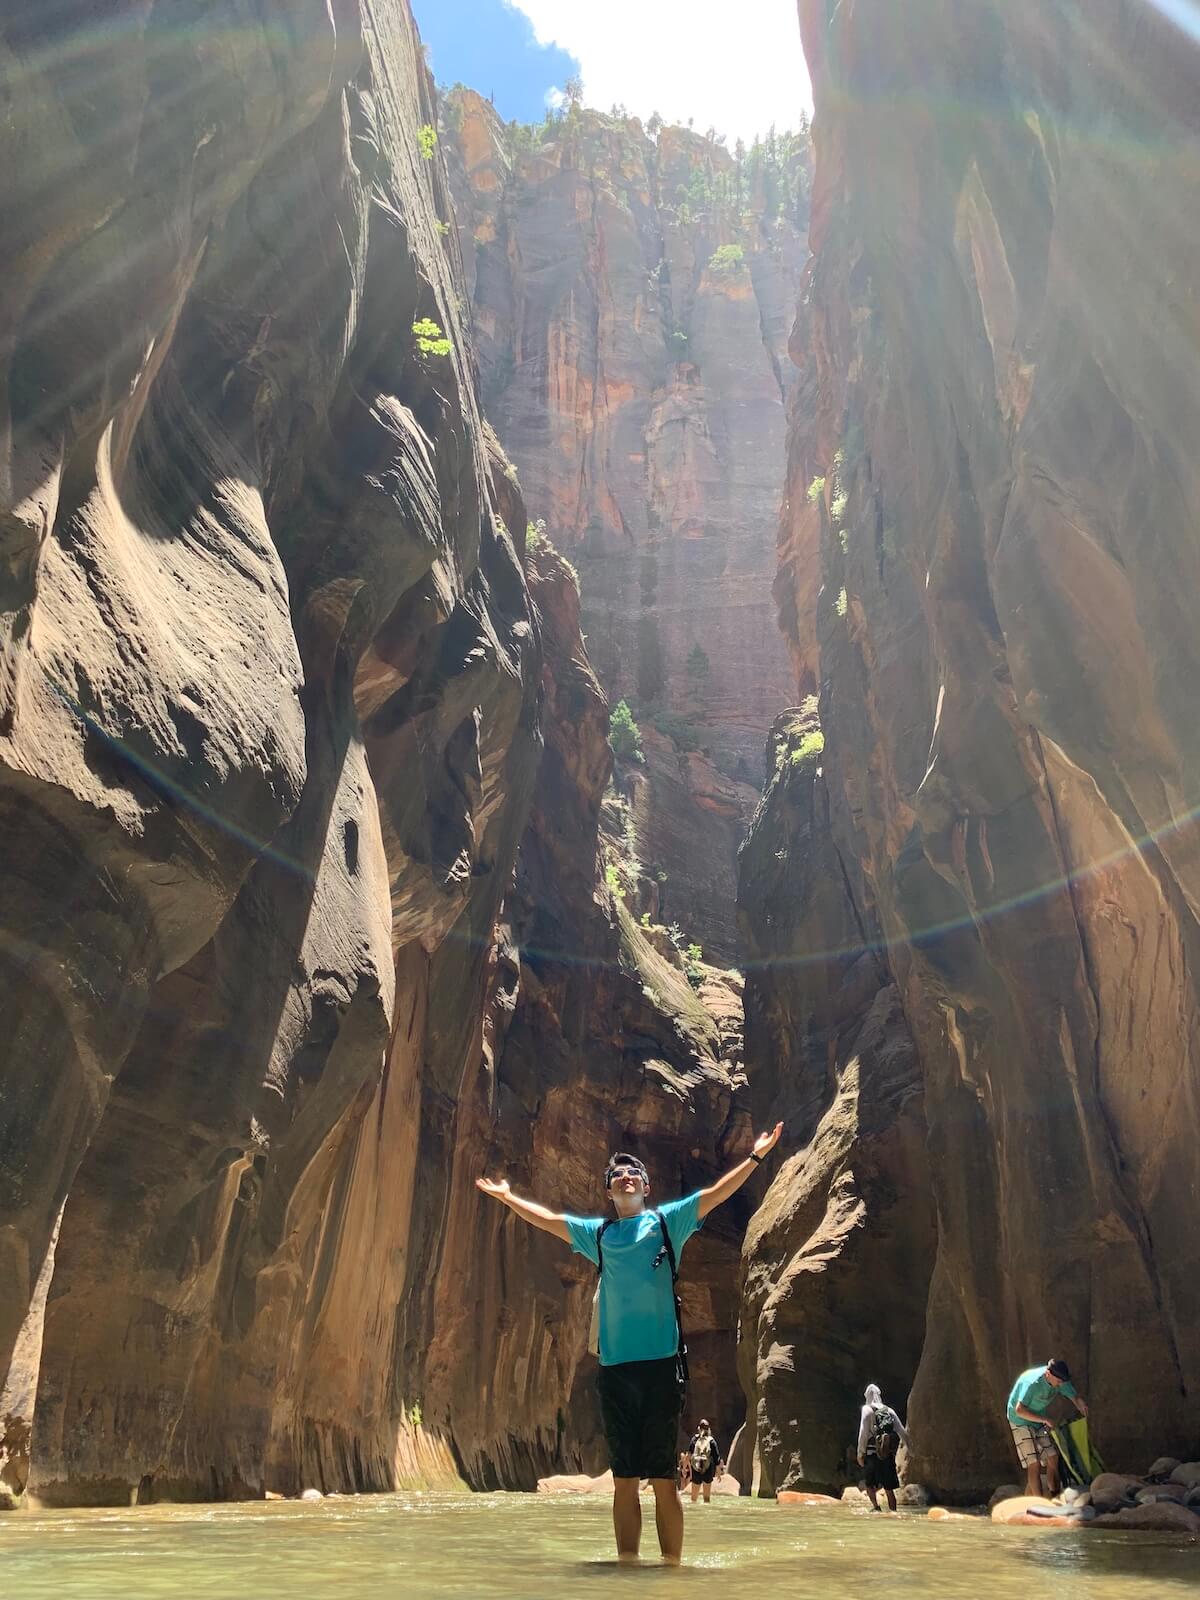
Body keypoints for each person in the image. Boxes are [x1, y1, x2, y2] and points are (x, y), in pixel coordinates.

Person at [476, 1122, 783, 1564]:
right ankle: (627, 1568)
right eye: (617, 1174)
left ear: (645, 1186)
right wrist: (508, 1198)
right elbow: (548, 1222)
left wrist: (755, 1156)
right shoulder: (599, 1235)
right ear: (609, 1192)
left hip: (661, 1368)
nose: (625, 1176)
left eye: (632, 1172)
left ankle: (672, 1573)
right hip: (616, 1371)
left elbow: (716, 1194)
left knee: (661, 1478)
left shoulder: (667, 1222)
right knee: (624, 1478)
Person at [1007, 1358, 1088, 1497]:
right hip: (1020, 1420)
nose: (1061, 1384)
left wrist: (1081, 1406)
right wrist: (1044, 1419)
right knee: (1035, 1463)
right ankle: (1040, 1504)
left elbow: (1074, 1396)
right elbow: (1019, 1409)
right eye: (1058, 1381)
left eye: (1063, 1381)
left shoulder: (1060, 1380)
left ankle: (1055, 1495)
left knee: (1053, 1456)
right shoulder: (1032, 1383)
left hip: (1038, 1419)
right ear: (1048, 1374)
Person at [856, 1383, 911, 1511]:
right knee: (889, 1489)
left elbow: (863, 1432)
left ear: (867, 1396)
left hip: (871, 1455)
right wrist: (911, 1450)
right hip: (886, 1454)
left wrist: (860, 1453)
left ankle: (876, 1507)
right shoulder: (889, 1410)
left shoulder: (866, 1409)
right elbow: (902, 1431)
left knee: (870, 1485)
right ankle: (893, 1512)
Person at [687, 1420, 720, 1503]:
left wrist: (691, 1472)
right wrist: (718, 1473)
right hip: (708, 1469)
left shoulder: (694, 1439)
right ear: (708, 1429)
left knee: (693, 1499)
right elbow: (717, 1459)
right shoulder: (711, 1441)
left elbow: (689, 1456)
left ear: (698, 1428)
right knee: (706, 1499)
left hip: (696, 1468)